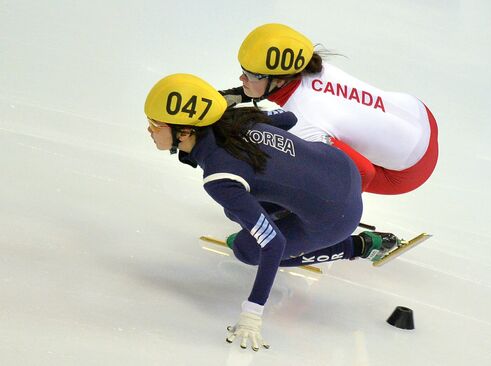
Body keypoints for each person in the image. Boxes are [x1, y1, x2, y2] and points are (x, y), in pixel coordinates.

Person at [144, 73, 400, 351]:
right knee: (238, 211)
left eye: (155, 124)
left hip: (336, 217)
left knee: (246, 249)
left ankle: (357, 246)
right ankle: (308, 206)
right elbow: (288, 120)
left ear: (185, 131)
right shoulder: (238, 120)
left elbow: (273, 244)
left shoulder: (219, 177)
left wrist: (252, 312)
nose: (150, 130)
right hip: (341, 168)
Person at [221, 23, 439, 195]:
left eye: (250, 75)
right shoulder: (313, 67)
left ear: (278, 80)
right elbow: (263, 89)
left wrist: (330, 209)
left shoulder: (302, 120)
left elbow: (363, 172)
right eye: (243, 71)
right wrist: (224, 98)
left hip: (410, 170)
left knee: (301, 162)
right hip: (416, 113)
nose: (242, 78)